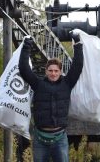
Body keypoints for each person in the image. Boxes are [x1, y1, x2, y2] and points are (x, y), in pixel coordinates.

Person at [18, 33, 83, 162]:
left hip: (60, 139)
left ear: (60, 71)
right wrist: (26, 46)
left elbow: (77, 66)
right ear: (46, 71)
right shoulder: (38, 84)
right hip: (40, 139)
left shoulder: (67, 83)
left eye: (56, 71)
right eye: (50, 70)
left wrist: (78, 45)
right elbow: (24, 69)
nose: (53, 73)